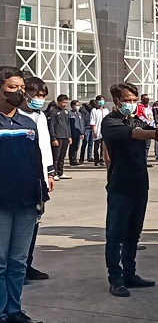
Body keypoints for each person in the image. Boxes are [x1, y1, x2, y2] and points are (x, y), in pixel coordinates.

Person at [102, 82, 158, 297]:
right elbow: (135, 133)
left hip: (140, 183)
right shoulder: (110, 123)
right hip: (120, 185)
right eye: (128, 100)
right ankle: (116, 278)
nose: (131, 104)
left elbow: (148, 130)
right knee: (116, 235)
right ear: (116, 101)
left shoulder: (137, 121)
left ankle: (130, 273)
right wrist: (156, 134)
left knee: (134, 232)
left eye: (134, 100)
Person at [0, 66, 47, 323]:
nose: (18, 92)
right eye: (12, 87)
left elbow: (36, 162)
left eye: (21, 88)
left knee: (18, 261)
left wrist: (41, 196)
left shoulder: (29, 123)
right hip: (2, 203)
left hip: (27, 202)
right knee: (0, 262)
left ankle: (14, 310)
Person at [18, 77, 55, 285]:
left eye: (43, 96)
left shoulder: (39, 115)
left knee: (34, 222)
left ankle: (26, 264)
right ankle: (17, 267)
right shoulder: (16, 117)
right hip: (21, 175)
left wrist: (49, 173)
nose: (39, 99)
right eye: (37, 95)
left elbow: (45, 146)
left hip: (39, 176)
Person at [48, 94, 72, 181]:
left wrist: (69, 136)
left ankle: (60, 172)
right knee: (56, 156)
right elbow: (51, 125)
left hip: (65, 136)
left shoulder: (66, 112)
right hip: (58, 137)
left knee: (62, 156)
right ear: (58, 102)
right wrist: (53, 138)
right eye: (63, 102)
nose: (65, 104)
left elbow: (68, 124)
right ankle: (53, 173)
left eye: (66, 102)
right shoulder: (54, 112)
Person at [136, 94, 155, 168]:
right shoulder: (139, 107)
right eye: (144, 98)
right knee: (141, 146)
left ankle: (145, 161)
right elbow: (138, 116)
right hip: (143, 128)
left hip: (149, 128)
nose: (146, 99)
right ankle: (140, 161)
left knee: (147, 146)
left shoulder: (149, 108)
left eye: (147, 98)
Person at [90, 95, 110, 166]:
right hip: (97, 130)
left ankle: (102, 159)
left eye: (103, 100)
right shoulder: (94, 110)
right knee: (96, 147)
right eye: (100, 100)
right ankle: (96, 160)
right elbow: (92, 121)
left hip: (104, 131)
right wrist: (94, 130)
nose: (102, 102)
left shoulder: (106, 110)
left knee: (103, 147)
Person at [68, 100, 84, 167]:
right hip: (72, 133)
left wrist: (82, 132)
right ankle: (72, 160)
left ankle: (75, 159)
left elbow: (81, 123)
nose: (77, 106)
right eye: (76, 105)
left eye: (78, 105)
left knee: (77, 147)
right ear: (72, 106)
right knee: (72, 147)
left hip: (78, 133)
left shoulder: (79, 114)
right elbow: (68, 124)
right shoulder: (70, 114)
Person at [79, 99, 95, 163]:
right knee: (84, 143)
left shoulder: (93, 110)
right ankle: (81, 158)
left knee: (91, 143)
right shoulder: (83, 109)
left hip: (92, 128)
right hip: (86, 128)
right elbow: (82, 119)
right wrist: (82, 130)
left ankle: (89, 156)